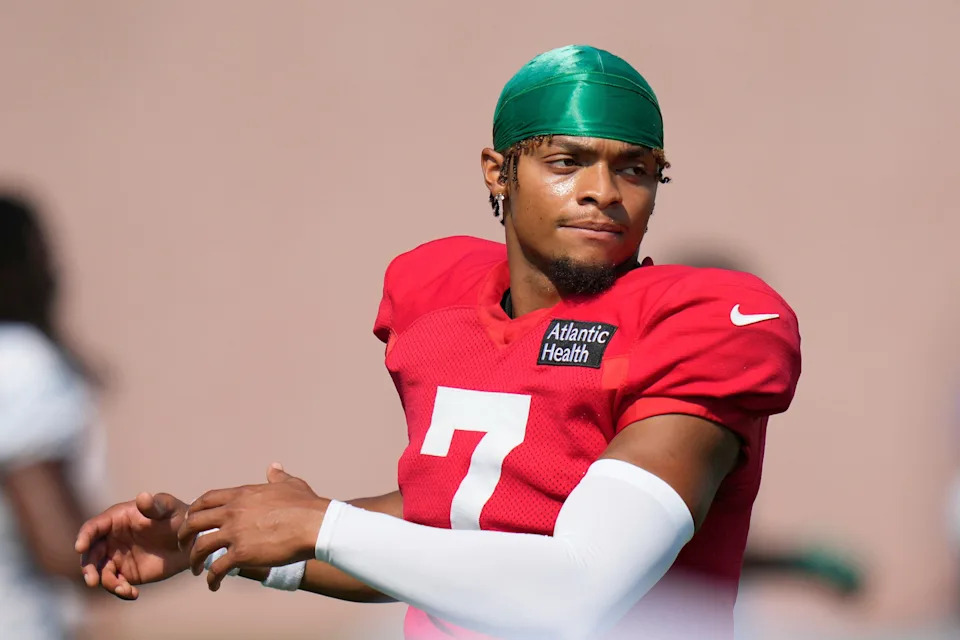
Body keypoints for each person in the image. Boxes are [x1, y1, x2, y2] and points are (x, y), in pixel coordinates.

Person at [75, 45, 802, 640]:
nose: (603, 191)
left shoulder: (699, 323)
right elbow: (452, 522)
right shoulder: (441, 299)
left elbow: (576, 589)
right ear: (499, 172)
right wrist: (225, 537)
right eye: (567, 161)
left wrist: (322, 526)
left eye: (634, 168)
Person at [1, 193, 105, 639]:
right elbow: (62, 547)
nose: (54, 274)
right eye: (40, 257)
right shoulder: (19, 363)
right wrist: (208, 542)